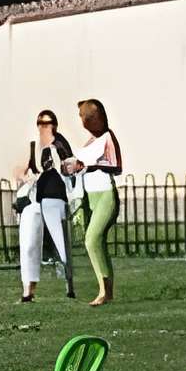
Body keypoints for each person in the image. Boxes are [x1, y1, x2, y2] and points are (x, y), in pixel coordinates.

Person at [12, 110, 76, 302]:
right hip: (35, 200)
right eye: (41, 123)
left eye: (48, 123)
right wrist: (27, 177)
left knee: (61, 244)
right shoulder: (34, 147)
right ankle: (28, 290)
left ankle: (69, 285)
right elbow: (20, 169)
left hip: (55, 199)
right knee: (29, 242)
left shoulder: (60, 145)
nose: (44, 126)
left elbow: (70, 169)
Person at [67, 97, 123, 307]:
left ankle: (104, 292)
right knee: (96, 243)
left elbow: (117, 166)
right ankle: (106, 290)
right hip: (90, 194)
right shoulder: (91, 141)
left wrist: (90, 165)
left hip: (105, 194)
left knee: (92, 239)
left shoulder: (108, 138)